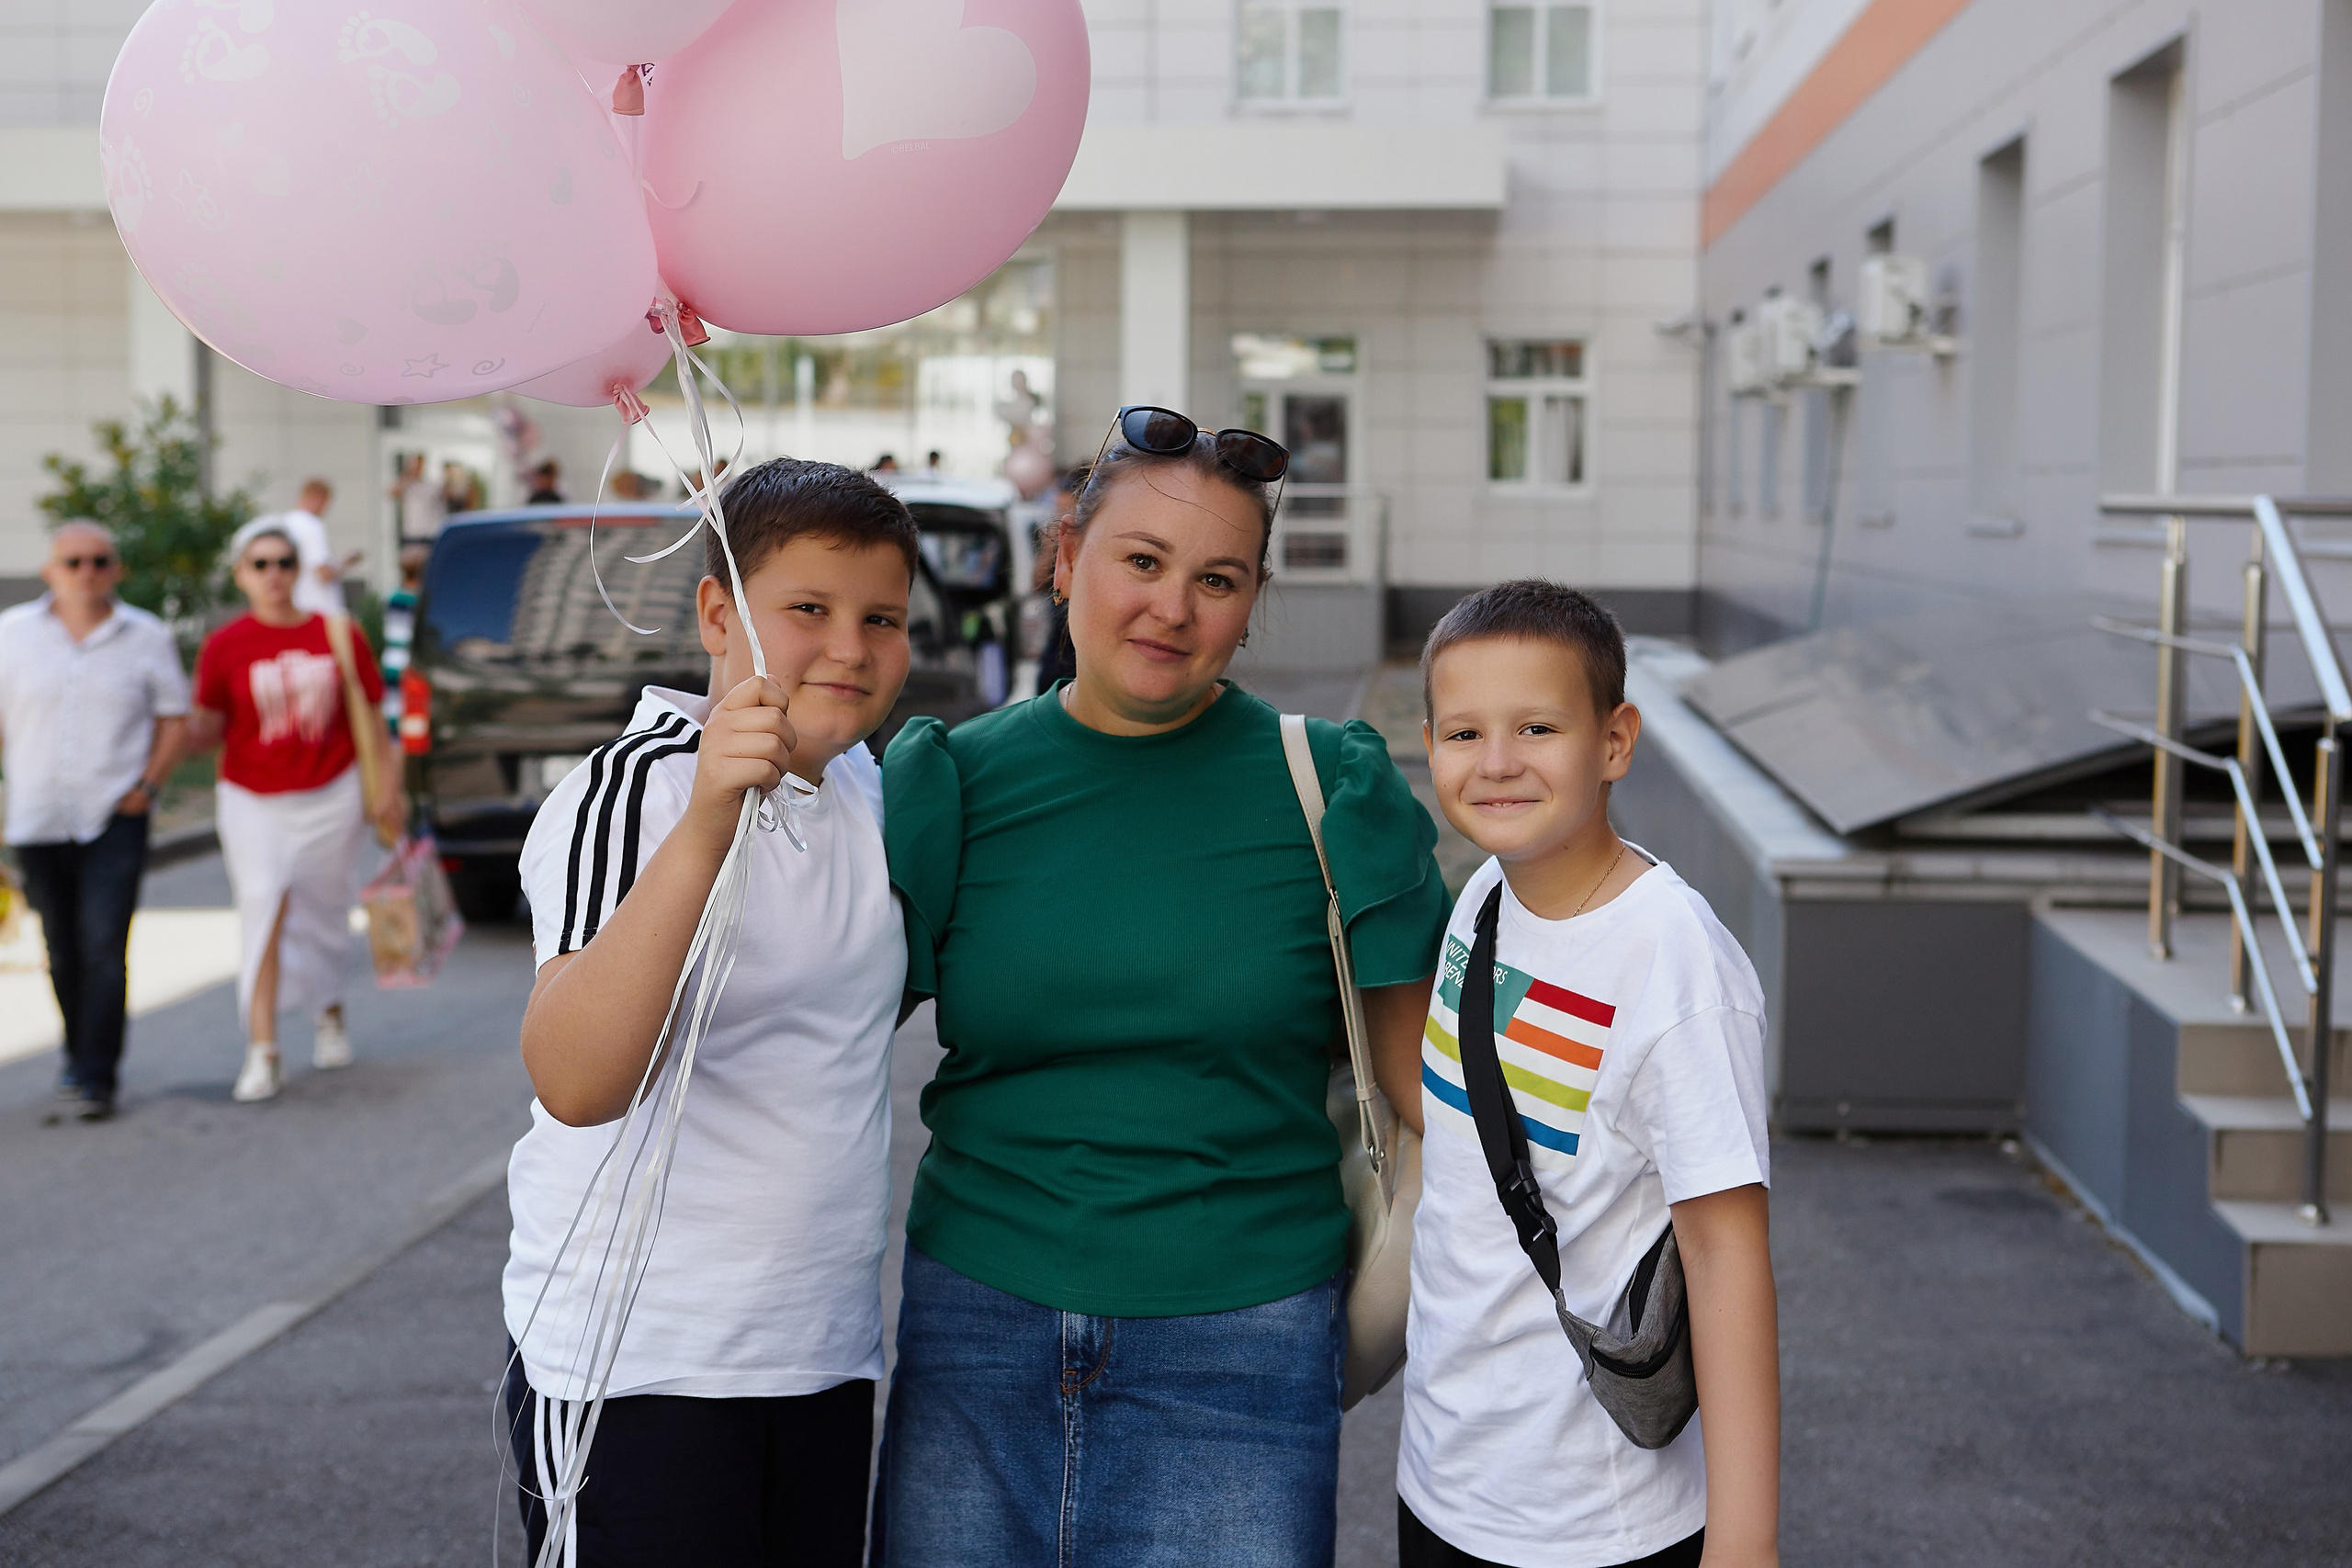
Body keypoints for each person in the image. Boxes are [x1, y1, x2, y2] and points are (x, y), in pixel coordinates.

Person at [873, 408, 1449, 1566]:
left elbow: (1427, 1102)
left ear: (1251, 600)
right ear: (1064, 553)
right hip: (976, 1324)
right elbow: (799, 1046)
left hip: (1243, 1338)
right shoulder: (951, 784)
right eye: (1141, 561)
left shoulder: (1329, 788)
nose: (1173, 608)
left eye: (1219, 579)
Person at [502, 459, 919, 1565]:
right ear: (716, 611)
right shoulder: (629, 789)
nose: (851, 646)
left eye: (883, 617)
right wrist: (703, 827)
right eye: (810, 610)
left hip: (821, 1355)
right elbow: (577, 1079)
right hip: (637, 1364)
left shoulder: (875, 790)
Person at [1402, 581, 1778, 1568]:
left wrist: (1744, 1542)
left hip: (1596, 1522)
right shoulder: (1485, 895)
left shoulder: (1673, 960)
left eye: (1536, 728)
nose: (1495, 764)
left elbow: (1727, 1255)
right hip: (1442, 1485)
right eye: (1462, 732)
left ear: (1614, 741)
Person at [186, 521, 404, 1103]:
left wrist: (387, 788)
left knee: (324, 915)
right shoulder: (225, 645)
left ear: (298, 570)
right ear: (241, 576)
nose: (274, 574)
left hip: (331, 793)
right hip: (251, 798)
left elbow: (374, 715)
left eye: (284, 562)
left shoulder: (336, 632)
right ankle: (264, 1049)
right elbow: (206, 725)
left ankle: (329, 1013)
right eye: (260, 565)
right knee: (263, 908)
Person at [0, 524, 189, 1121]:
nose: (86, 571)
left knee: (104, 944)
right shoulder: (12, 634)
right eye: (72, 560)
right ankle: (76, 1053)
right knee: (60, 946)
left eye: (98, 560)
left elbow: (175, 717)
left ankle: (97, 1074)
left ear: (116, 569)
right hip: (36, 814)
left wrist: (148, 786)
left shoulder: (146, 636)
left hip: (115, 813)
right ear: (51, 569)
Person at [1029, 466, 1082, 694]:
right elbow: (1037, 583)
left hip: (1081, 652)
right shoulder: (1053, 539)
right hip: (1056, 648)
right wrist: (1054, 545)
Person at [270, 477, 352, 616]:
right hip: (319, 607)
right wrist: (344, 563)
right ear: (318, 499)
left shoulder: (285, 524)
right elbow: (323, 574)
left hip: (296, 606)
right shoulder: (312, 526)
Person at [380, 542, 429, 729]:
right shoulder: (418, 600)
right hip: (409, 660)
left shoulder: (392, 597)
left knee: (392, 716)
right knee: (411, 722)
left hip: (391, 658)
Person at [390, 452, 447, 543]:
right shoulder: (406, 484)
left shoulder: (431, 484)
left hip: (430, 533)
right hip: (412, 533)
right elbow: (392, 493)